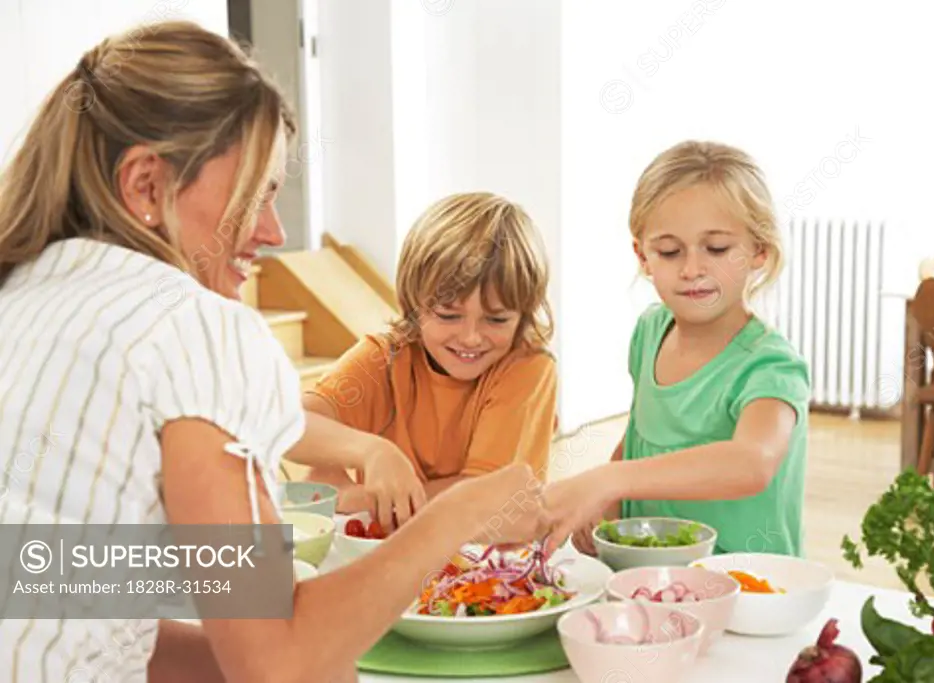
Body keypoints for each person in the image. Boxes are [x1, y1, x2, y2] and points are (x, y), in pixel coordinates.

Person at [0, 21, 549, 683]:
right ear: (147, 187)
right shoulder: (195, 327)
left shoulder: (24, 295)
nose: (274, 230)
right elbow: (277, 664)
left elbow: (44, 576)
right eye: (256, 191)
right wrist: (462, 512)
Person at [545, 141, 811, 558]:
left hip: (743, 592)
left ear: (759, 249)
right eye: (669, 251)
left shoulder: (770, 364)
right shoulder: (650, 332)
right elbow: (640, 433)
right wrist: (606, 506)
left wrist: (608, 480)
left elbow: (752, 462)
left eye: (717, 248)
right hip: (647, 574)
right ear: (643, 255)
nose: (692, 269)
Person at [289, 192, 558, 532]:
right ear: (414, 303)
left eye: (497, 320)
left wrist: (357, 499)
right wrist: (371, 452)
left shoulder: (528, 369)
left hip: (488, 561)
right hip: (395, 558)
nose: (471, 337)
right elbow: (290, 427)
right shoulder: (385, 358)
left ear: (523, 315)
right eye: (448, 315)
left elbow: (480, 498)